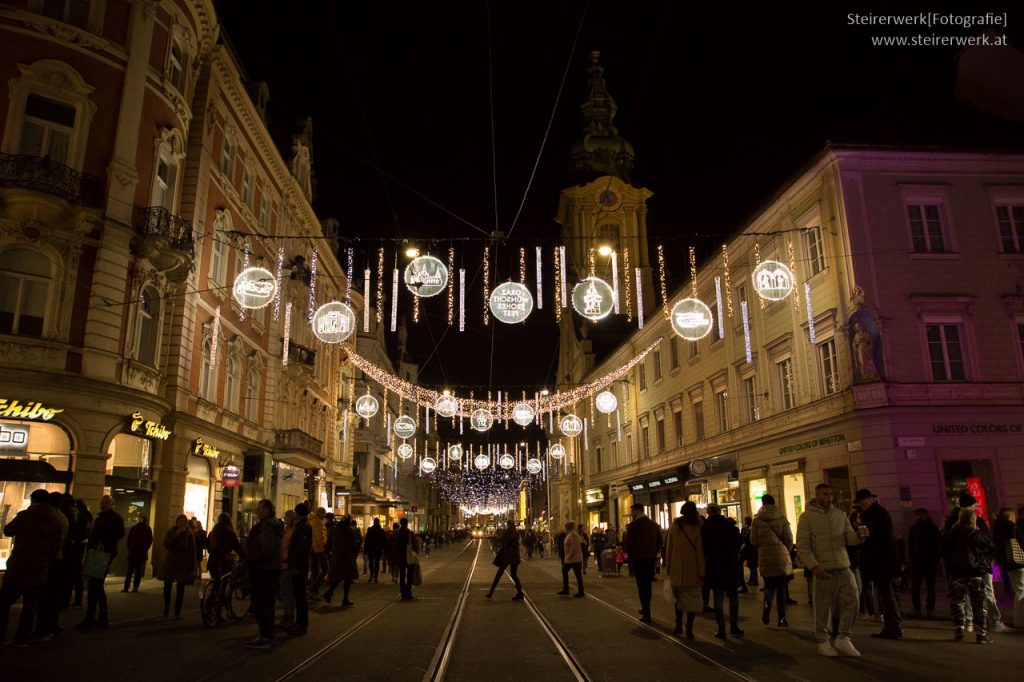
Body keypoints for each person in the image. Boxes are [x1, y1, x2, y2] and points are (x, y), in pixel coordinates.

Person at [795, 483, 867, 657]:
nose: (829, 498)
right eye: (825, 494)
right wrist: (814, 566)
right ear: (817, 495)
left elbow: (848, 538)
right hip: (824, 570)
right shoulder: (807, 517)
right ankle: (823, 640)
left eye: (830, 494)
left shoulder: (838, 515)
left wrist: (858, 536)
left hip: (843, 566)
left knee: (853, 602)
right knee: (824, 608)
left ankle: (843, 637)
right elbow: (803, 546)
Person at [0, 489, 62, 648]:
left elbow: (8, 530)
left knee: (4, 602)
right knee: (30, 607)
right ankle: (21, 639)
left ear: (33, 499)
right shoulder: (54, 521)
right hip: (39, 567)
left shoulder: (24, 516)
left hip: (19, 565)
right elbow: (55, 547)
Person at [942, 507, 996, 643]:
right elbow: (991, 548)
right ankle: (981, 634)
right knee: (978, 604)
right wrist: (984, 561)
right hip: (976, 572)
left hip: (957, 573)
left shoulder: (953, 533)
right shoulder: (978, 534)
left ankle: (959, 629)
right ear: (973, 519)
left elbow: (944, 551)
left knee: (958, 602)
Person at [855, 489, 903, 640]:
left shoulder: (874, 514)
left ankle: (893, 627)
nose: (860, 504)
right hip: (882, 560)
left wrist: (860, 526)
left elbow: (877, 538)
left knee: (886, 595)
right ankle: (892, 626)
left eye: (862, 500)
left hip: (881, 561)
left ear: (869, 499)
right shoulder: (877, 512)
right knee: (886, 595)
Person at [76, 494, 125, 630]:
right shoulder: (101, 517)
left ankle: (94, 616)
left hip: (102, 554)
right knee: (96, 585)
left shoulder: (114, 518)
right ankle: (100, 617)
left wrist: (104, 542)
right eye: (102, 502)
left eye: (106, 503)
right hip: (97, 553)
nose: (103, 504)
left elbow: (120, 533)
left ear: (112, 504)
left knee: (95, 585)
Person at [701, 504, 744, 638]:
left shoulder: (705, 527)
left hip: (714, 566)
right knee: (733, 596)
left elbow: (703, 547)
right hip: (730, 564)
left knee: (718, 598)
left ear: (708, 512)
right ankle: (734, 626)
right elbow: (738, 542)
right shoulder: (728, 525)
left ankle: (721, 628)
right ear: (719, 511)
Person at [750, 494, 793, 627]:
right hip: (781, 556)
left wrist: (761, 551)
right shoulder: (781, 518)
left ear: (762, 504)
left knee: (769, 587)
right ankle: (781, 618)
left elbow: (754, 541)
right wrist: (786, 550)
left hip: (765, 556)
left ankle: (766, 610)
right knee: (781, 589)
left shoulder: (757, 520)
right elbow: (789, 538)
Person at [245, 499, 282, 649]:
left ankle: (266, 636)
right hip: (270, 569)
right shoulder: (273, 525)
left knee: (263, 604)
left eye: (260, 508)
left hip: (264, 569)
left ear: (267, 510)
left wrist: (252, 558)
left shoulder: (267, 526)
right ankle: (266, 635)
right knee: (266, 604)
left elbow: (266, 549)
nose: (257, 510)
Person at [665, 501, 703, 639]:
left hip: (677, 567)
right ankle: (689, 629)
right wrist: (702, 570)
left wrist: (668, 564)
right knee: (692, 599)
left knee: (678, 599)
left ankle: (678, 625)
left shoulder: (676, 526)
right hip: (693, 568)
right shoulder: (697, 527)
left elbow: (669, 546)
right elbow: (699, 550)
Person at [625, 502, 662, 623]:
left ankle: (646, 611)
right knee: (648, 584)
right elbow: (659, 542)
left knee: (642, 585)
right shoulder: (654, 524)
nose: (631, 514)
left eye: (632, 512)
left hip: (638, 559)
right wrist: (653, 553)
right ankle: (646, 608)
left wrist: (630, 559)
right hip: (650, 558)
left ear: (636, 511)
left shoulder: (632, 526)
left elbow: (629, 545)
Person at [158, 514, 197, 619]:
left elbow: (192, 552)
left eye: (184, 521)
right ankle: (166, 608)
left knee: (180, 588)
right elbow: (166, 544)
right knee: (167, 586)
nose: (182, 523)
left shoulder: (189, 534)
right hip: (171, 562)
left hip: (183, 564)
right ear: (177, 522)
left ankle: (177, 611)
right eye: (180, 521)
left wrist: (193, 568)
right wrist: (177, 534)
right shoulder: (171, 532)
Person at [993, 507, 1024, 629]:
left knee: (1017, 590)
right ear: (1010, 516)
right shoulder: (1013, 528)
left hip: (1008, 563)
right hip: (1020, 562)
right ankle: (1019, 621)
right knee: (1021, 591)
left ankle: (1018, 619)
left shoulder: (998, 530)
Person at [907, 508, 941, 619]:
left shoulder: (933, 528)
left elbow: (937, 545)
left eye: (920, 515)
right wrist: (911, 558)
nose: (918, 517)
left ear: (926, 515)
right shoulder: (914, 529)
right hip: (917, 562)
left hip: (930, 562)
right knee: (915, 586)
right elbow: (911, 544)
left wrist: (936, 558)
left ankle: (930, 609)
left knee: (930, 586)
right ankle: (916, 608)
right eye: (917, 515)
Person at [287, 504, 312, 634]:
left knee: (300, 595)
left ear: (299, 513)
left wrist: (296, 566)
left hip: (299, 567)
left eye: (295, 511)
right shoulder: (301, 526)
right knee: (298, 595)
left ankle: (302, 624)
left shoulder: (304, 527)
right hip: (298, 565)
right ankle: (299, 622)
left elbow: (302, 549)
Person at [325, 514, 359, 606]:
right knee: (347, 578)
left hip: (336, 556)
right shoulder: (349, 531)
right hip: (347, 558)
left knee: (339, 577)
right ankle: (344, 598)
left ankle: (330, 592)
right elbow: (354, 545)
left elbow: (329, 543)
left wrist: (328, 551)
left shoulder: (335, 530)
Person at [487, 520, 524, 600]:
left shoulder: (506, 532)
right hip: (515, 556)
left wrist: (495, 536)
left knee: (499, 574)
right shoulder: (516, 533)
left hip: (507, 556)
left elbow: (500, 540)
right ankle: (520, 592)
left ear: (508, 525)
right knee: (514, 575)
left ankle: (491, 592)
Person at [206, 513, 242, 582]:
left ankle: (215, 592)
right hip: (224, 563)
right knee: (223, 583)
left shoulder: (212, 533)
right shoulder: (229, 533)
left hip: (212, 562)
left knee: (216, 583)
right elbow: (237, 547)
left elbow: (209, 548)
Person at [277, 510, 297, 630]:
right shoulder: (287, 531)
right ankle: (287, 615)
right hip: (283, 564)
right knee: (285, 592)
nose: (284, 519)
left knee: (288, 592)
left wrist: (286, 558)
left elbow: (292, 548)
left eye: (286, 517)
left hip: (287, 564)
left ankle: (289, 616)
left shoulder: (292, 532)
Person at [123, 514, 153, 593]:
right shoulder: (134, 528)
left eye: (140, 518)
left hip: (140, 552)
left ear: (143, 519)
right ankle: (126, 587)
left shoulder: (147, 528)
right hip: (133, 552)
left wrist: (145, 548)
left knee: (138, 570)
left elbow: (150, 540)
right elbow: (129, 539)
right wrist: (129, 547)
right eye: (138, 518)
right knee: (130, 570)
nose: (138, 519)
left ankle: (135, 587)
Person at [70, 499, 92, 609]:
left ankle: (77, 601)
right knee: (78, 574)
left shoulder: (80, 517)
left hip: (78, 547)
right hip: (83, 546)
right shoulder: (87, 516)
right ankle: (78, 600)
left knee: (77, 573)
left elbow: (78, 533)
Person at [558, 521, 585, 597]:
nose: (563, 528)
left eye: (564, 527)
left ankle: (579, 591)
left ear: (567, 527)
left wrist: (568, 556)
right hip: (572, 559)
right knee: (570, 573)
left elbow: (574, 547)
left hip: (574, 559)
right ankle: (568, 589)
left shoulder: (573, 535)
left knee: (574, 574)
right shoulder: (570, 534)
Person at [308, 507, 328, 597]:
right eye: (323, 513)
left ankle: (314, 591)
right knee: (325, 569)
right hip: (318, 549)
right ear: (320, 513)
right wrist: (323, 546)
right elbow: (319, 537)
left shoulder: (312, 521)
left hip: (312, 549)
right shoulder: (318, 523)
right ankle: (313, 587)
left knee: (314, 570)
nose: (324, 515)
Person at [397, 517, 417, 600]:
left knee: (402, 575)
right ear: (406, 523)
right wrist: (416, 553)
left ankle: (402, 592)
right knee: (409, 575)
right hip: (409, 556)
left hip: (401, 556)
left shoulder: (398, 533)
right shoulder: (409, 533)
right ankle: (408, 592)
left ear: (401, 523)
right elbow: (414, 545)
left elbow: (396, 545)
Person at [364, 518, 387, 584]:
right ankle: (375, 577)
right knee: (377, 563)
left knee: (371, 563)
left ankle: (372, 575)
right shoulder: (381, 531)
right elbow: (384, 541)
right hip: (378, 549)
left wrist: (365, 549)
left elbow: (366, 540)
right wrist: (384, 549)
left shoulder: (370, 530)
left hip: (371, 549)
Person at [739, 516, 758, 593]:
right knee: (751, 565)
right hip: (749, 550)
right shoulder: (746, 529)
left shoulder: (750, 530)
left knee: (753, 565)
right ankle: (752, 578)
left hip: (751, 550)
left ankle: (754, 579)